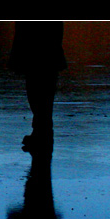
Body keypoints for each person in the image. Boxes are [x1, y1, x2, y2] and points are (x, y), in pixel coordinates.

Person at [9, 21, 67, 152]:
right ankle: (41, 135)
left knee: (38, 95)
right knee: (42, 96)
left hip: (38, 55)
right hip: (45, 55)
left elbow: (23, 30)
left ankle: (41, 136)